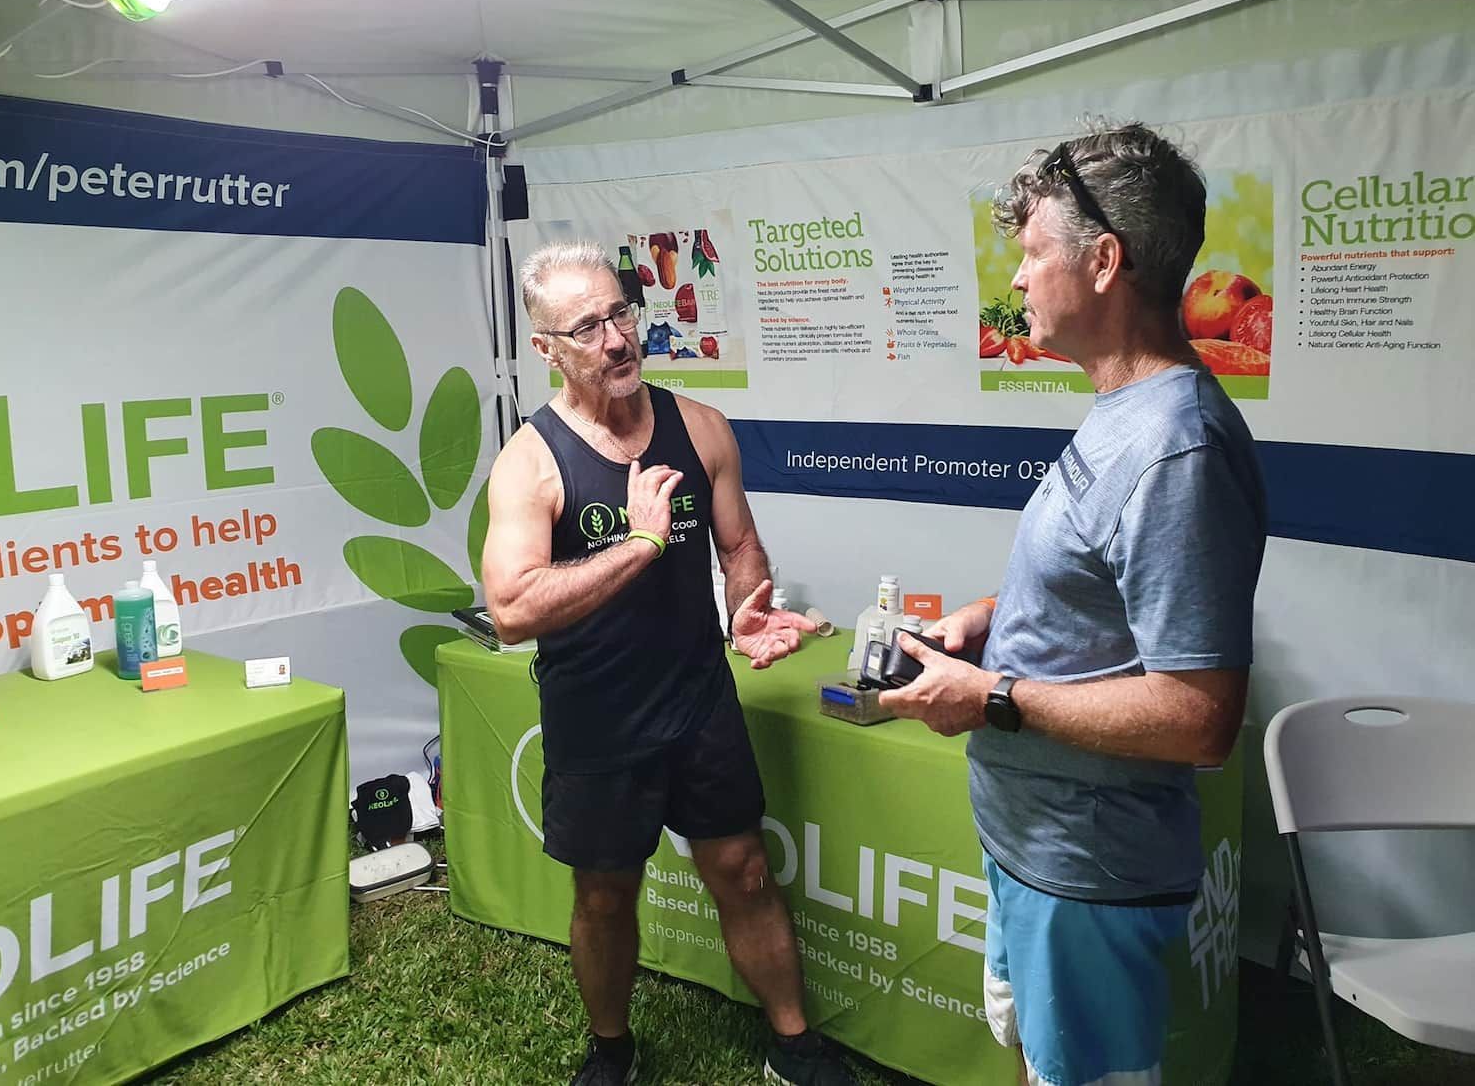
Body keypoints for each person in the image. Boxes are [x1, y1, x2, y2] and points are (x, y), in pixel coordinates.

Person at [881, 123, 1268, 1086]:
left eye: (1030, 254)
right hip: (1034, 846)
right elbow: (1097, 581)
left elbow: (1200, 717)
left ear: (1103, 263)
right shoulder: (1125, 410)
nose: (1016, 282)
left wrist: (996, 696)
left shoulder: (1178, 449)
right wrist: (987, 615)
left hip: (1086, 870)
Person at [481, 240, 855, 1086]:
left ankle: (795, 1044)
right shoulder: (532, 459)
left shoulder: (700, 427)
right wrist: (640, 545)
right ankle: (612, 1049)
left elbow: (741, 545)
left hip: (699, 699)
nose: (615, 340)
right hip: (598, 713)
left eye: (621, 313)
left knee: (745, 869)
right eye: (587, 327)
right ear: (547, 348)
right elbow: (510, 608)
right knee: (605, 895)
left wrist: (746, 610)